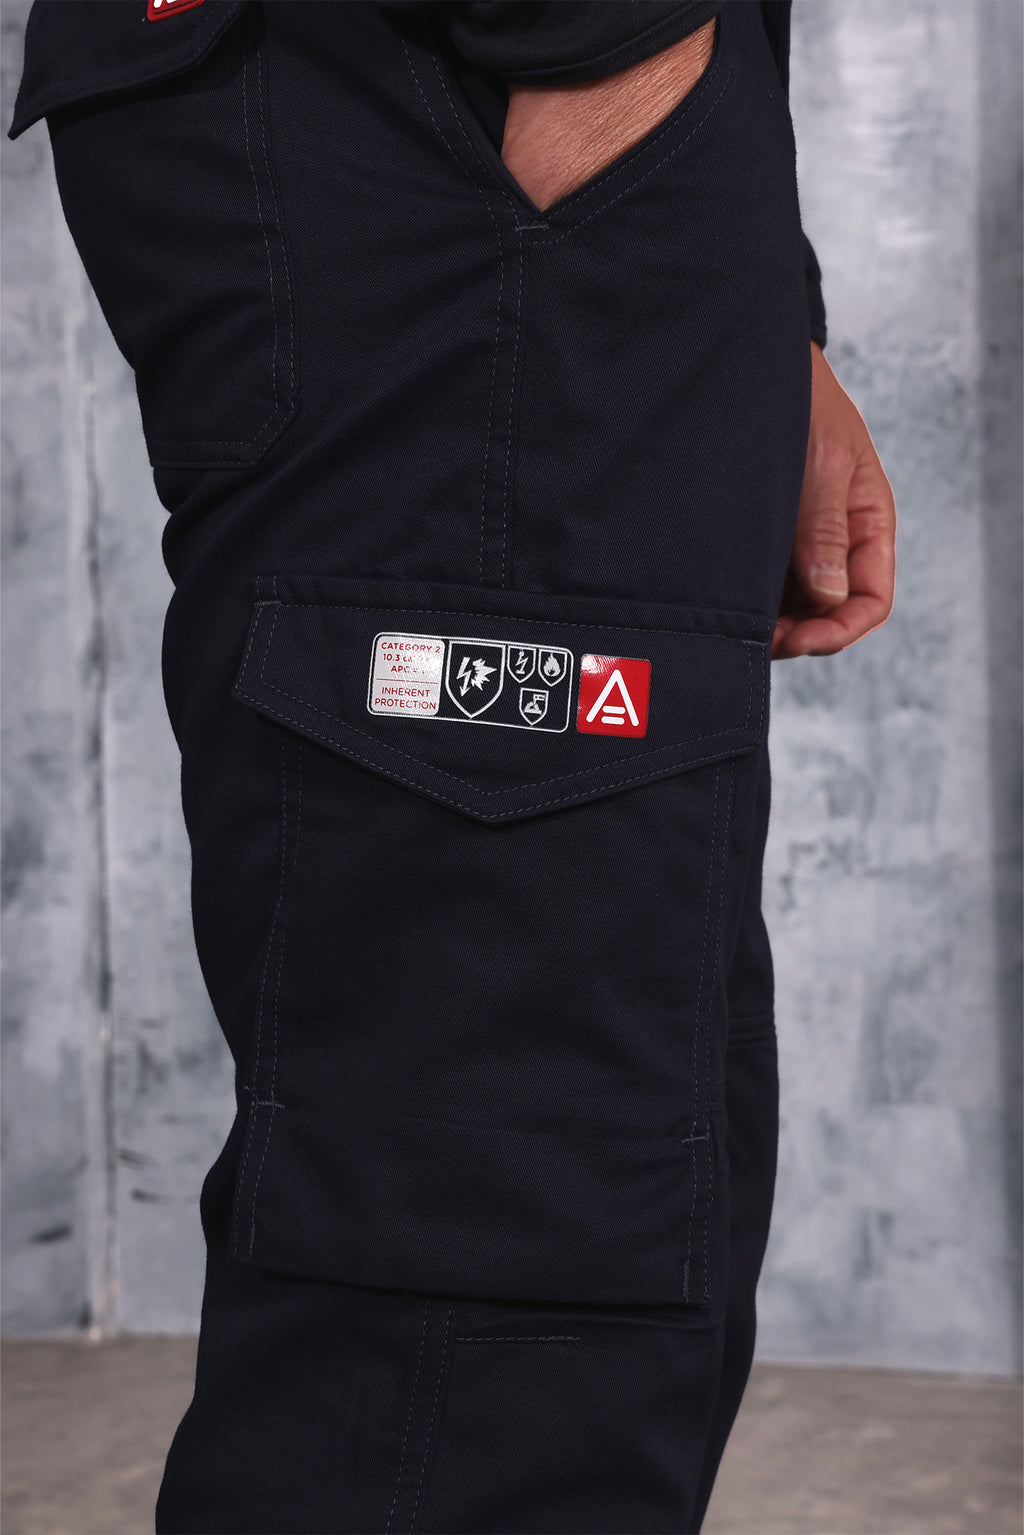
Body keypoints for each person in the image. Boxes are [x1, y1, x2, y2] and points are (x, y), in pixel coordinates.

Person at [9, 2, 895, 1529]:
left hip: (541, 115)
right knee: (500, 1251)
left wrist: (754, 283)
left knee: (620, 1172)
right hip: (474, 85)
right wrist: (606, 52)